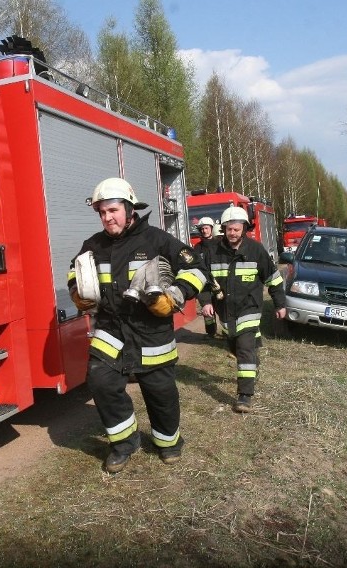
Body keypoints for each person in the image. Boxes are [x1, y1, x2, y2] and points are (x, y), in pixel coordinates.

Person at [68, 177, 206, 473]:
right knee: (101, 382)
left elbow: (196, 269)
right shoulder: (93, 245)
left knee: (160, 392)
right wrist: (77, 293)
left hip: (151, 331)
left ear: (130, 208)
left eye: (113, 210)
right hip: (111, 329)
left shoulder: (157, 240)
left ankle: (168, 442)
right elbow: (74, 272)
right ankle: (123, 443)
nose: (107, 217)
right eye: (102, 212)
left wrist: (175, 296)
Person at [200, 206, 287, 413]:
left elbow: (273, 279)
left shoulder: (256, 250)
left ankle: (244, 395)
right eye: (229, 229)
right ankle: (253, 363)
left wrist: (280, 304)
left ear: (244, 229)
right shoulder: (213, 252)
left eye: (237, 229)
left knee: (245, 347)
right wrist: (206, 302)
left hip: (249, 308)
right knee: (235, 346)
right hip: (225, 311)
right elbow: (203, 281)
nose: (232, 233)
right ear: (223, 229)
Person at [193, 216, 221, 338]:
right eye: (202, 229)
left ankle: (226, 332)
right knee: (207, 311)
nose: (204, 231)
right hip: (204, 284)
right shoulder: (197, 248)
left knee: (222, 308)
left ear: (211, 228)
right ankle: (211, 333)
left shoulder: (220, 244)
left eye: (206, 228)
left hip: (219, 282)